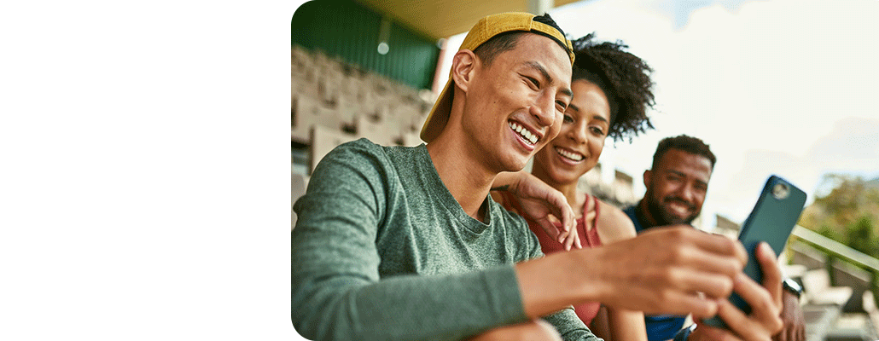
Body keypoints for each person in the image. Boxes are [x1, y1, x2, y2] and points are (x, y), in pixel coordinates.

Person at [290, 12, 783, 341]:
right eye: (532, 82)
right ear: (465, 71)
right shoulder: (366, 171)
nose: (549, 115)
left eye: (561, 103)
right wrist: (590, 270)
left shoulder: (516, 238)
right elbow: (322, 309)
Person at [492, 33, 655, 341]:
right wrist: (516, 181)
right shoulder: (492, 197)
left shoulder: (614, 230)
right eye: (567, 116)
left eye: (596, 129)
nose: (579, 136)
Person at [621, 135, 807, 341]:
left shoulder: (697, 244)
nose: (686, 194)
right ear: (648, 178)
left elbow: (747, 268)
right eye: (674, 178)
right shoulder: (612, 233)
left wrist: (788, 291)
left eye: (699, 187)